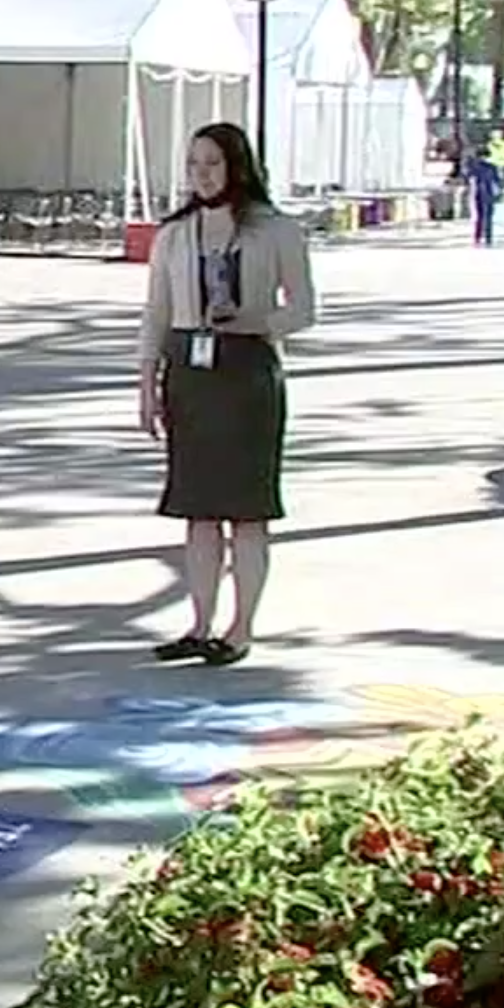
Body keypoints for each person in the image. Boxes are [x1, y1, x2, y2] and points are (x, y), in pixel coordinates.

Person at [137, 121, 317, 666]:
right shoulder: (175, 234)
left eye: (213, 163)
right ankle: (199, 623)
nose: (203, 175)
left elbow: (304, 308)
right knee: (198, 509)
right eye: (194, 164)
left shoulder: (275, 229)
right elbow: (156, 313)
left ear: (237, 165)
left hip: (248, 370)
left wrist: (259, 322)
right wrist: (148, 384)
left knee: (246, 511)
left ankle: (240, 628)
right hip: (191, 370)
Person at [468, 129, 504, 246]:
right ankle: (484, 238)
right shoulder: (490, 167)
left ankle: (482, 237)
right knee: (485, 216)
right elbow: (498, 181)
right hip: (486, 193)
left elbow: (469, 177)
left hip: (481, 193)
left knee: (483, 216)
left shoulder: (478, 166)